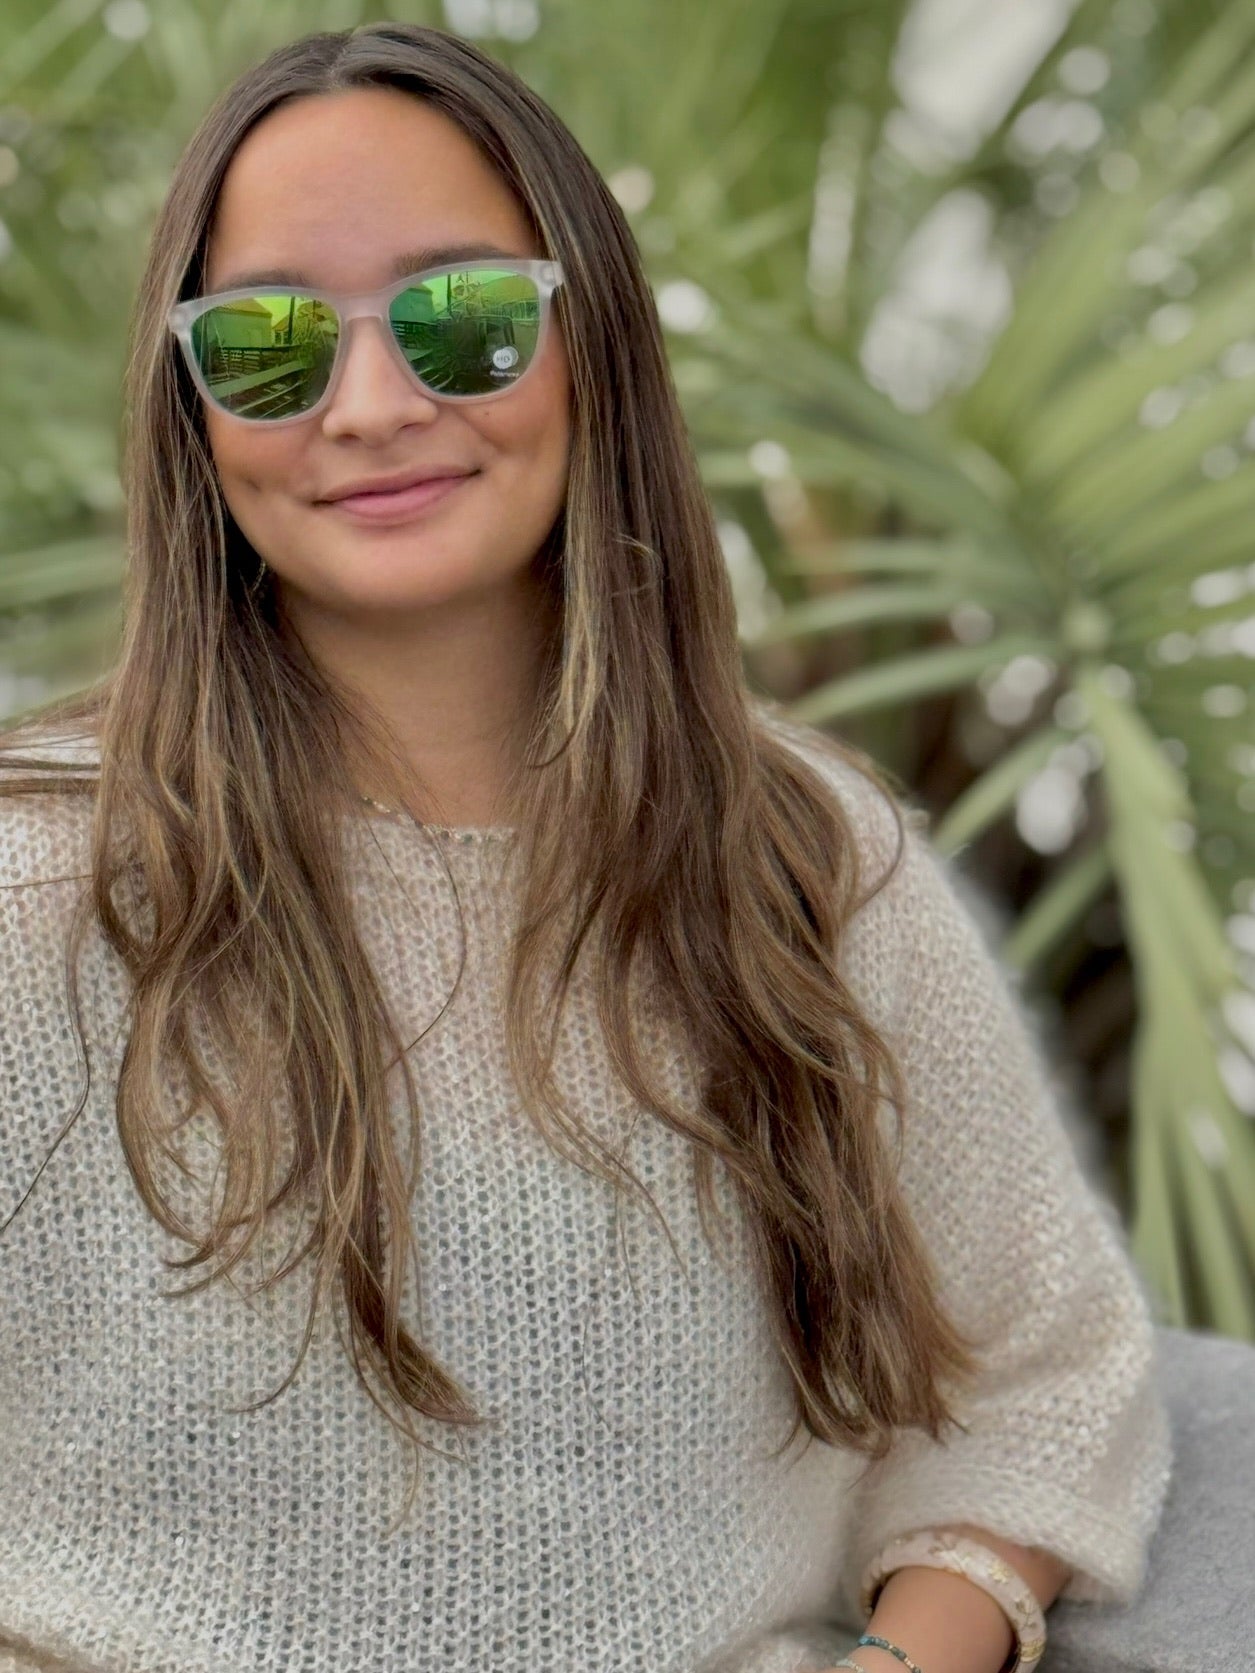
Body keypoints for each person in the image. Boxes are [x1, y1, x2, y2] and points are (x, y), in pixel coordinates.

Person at [0, 22, 1170, 1673]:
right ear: (190, 409)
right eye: (266, 342)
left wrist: (913, 1657)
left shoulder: (810, 869)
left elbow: (1035, 1376)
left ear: (591, 343)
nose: (371, 405)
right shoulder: (32, 890)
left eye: (463, 319)